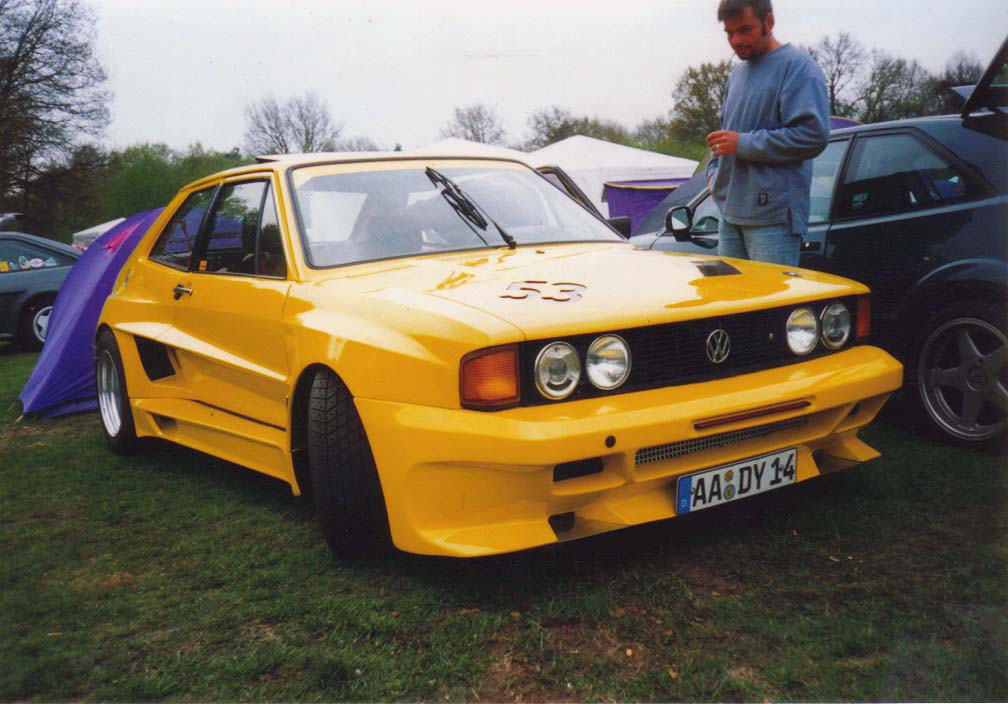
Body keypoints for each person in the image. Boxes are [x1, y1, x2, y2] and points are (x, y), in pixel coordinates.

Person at [706, 0, 829, 266]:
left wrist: (742, 143)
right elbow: (723, 136)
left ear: (769, 22)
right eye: (729, 33)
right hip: (729, 215)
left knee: (771, 295)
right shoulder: (737, 74)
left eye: (745, 29)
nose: (736, 40)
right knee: (732, 294)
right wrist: (712, 175)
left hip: (773, 220)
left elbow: (813, 136)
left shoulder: (798, 68)